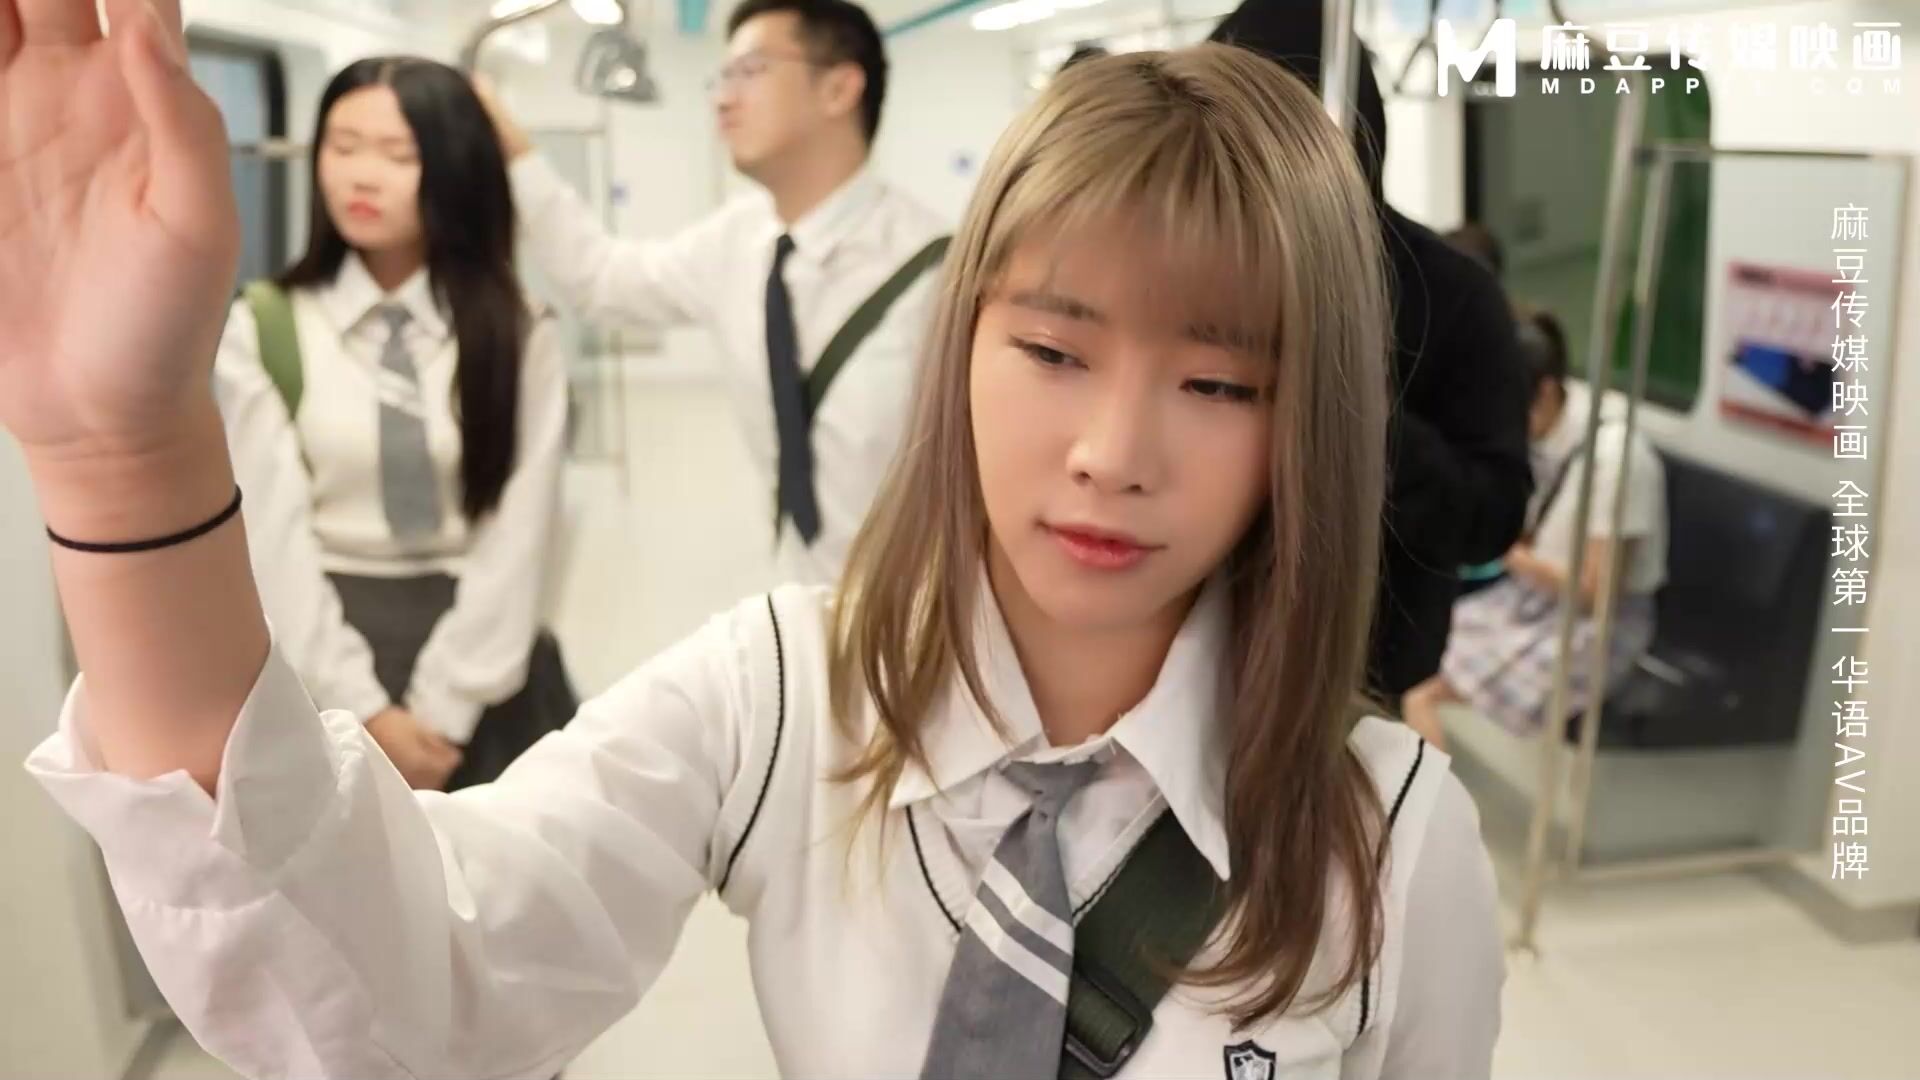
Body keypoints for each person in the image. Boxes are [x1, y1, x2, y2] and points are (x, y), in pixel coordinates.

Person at [7, 11, 1501, 1079]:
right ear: (969, 348)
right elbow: (424, 977)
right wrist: (122, 456)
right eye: (1053, 352)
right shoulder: (782, 692)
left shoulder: (1392, 836)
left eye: (1220, 384)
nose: (1114, 451)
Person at [478, 0, 949, 587]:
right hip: (802, 594)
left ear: (838, 88)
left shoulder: (942, 274)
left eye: (750, 71)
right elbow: (601, 281)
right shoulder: (738, 240)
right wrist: (516, 154)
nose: (723, 99)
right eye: (721, 78)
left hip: (924, 603)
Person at [215, 57, 576, 791]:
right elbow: (272, 536)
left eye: (398, 155)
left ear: (455, 168)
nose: (361, 176)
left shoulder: (518, 332)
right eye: (342, 146)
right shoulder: (265, 327)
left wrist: (443, 713)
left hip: (485, 662)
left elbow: (521, 534)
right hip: (314, 649)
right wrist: (365, 712)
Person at [1209, 0, 1535, 704]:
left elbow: (1491, 518)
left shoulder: (1452, 297)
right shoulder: (1188, 273)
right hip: (1189, 643)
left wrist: (1351, 405)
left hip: (1365, 669)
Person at [1402, 308, 1668, 750]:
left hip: (1591, 626)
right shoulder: (1550, 437)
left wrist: (1507, 549)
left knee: (1419, 691)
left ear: (1543, 393)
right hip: (1532, 601)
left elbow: (1595, 593)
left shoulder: (1615, 460)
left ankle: (1429, 796)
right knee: (1410, 647)